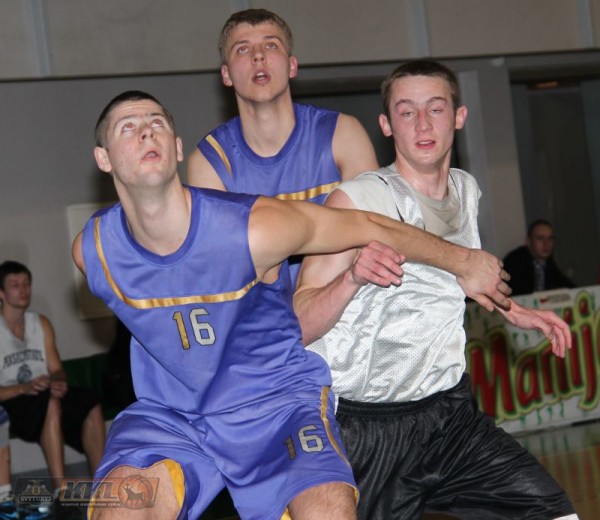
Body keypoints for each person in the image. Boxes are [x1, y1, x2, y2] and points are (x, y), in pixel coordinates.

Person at [72, 90, 512, 519]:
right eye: (128, 128)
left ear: (178, 147)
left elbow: (366, 224)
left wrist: (463, 260)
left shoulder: (252, 228)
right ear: (103, 159)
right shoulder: (94, 251)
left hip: (274, 404)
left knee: (328, 510)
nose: (146, 133)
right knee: (122, 506)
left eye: (157, 124)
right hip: (174, 415)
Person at [294, 60, 578, 520]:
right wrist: (351, 279)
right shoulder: (358, 200)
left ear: (459, 117)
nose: (422, 124)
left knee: (551, 511)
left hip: (450, 418)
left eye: (435, 108)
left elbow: (452, 276)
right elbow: (298, 323)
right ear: (386, 125)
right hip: (367, 425)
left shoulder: (466, 190)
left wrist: (511, 308)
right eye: (407, 112)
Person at [186, 8, 379, 285]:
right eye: (243, 49)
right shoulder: (209, 161)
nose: (258, 56)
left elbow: (371, 235)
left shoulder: (342, 133)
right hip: (261, 310)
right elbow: (227, 265)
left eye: (271, 45)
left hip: (344, 302)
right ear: (226, 75)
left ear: (292, 66)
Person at [0, 261, 106, 497]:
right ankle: (61, 491)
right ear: (1, 293)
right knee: (50, 403)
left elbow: (57, 369)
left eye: (26, 283)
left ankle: (101, 487)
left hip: (43, 393)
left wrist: (58, 380)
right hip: (12, 400)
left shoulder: (41, 323)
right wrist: (24, 387)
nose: (23, 290)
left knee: (90, 401)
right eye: (15, 285)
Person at [503, 218, 575, 296]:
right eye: (540, 238)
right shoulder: (515, 262)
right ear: (528, 241)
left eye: (550, 238)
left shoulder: (549, 263)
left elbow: (564, 283)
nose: (546, 244)